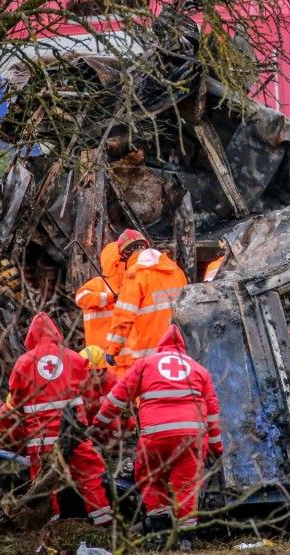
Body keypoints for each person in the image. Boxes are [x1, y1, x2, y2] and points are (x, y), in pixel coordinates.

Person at [92, 324, 223, 535]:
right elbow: (212, 414)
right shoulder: (199, 369)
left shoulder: (145, 365)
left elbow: (118, 397)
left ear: (161, 347)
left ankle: (159, 528)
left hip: (155, 435)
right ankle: (187, 539)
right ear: (182, 347)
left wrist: (99, 423)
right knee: (186, 486)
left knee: (150, 477)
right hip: (192, 438)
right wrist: (217, 448)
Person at [0, 312, 112, 526]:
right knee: (89, 475)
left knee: (45, 485)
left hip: (40, 438)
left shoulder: (23, 363)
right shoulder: (74, 358)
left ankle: (51, 527)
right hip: (73, 433)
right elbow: (88, 394)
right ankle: (104, 521)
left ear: (31, 336)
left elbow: (16, 399)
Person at [104, 229, 188, 376]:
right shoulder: (175, 270)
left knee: (151, 396)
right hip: (180, 347)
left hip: (150, 354)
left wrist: (112, 349)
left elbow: (124, 316)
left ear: (125, 254)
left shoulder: (136, 274)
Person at [75, 241, 126, 350]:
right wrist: (109, 298)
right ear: (115, 262)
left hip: (124, 356)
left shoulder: (131, 285)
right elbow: (80, 298)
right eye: (124, 259)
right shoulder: (98, 283)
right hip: (100, 354)